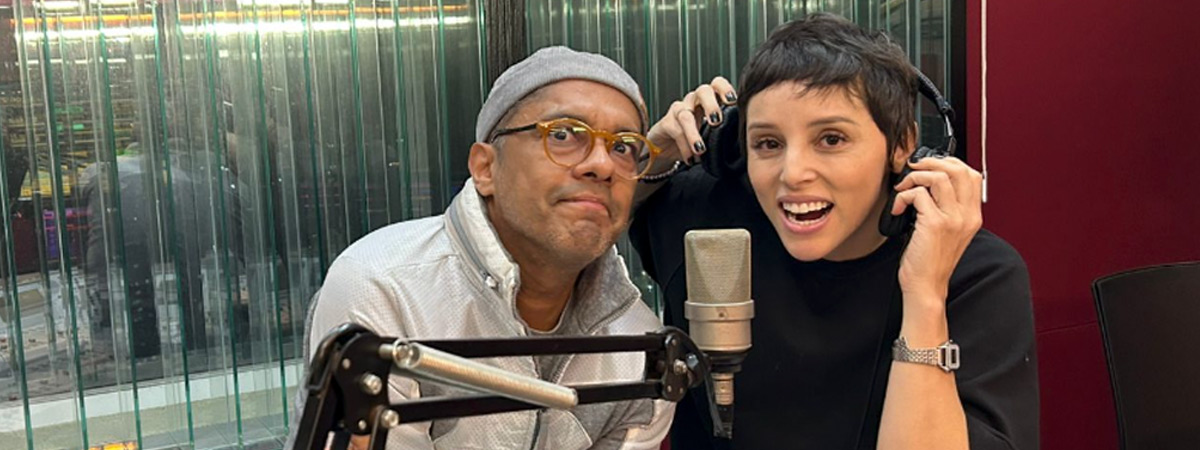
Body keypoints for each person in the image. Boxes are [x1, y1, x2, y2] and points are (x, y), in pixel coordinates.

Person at [630, 13, 1038, 450]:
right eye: (768, 143)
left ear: (902, 145)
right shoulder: (708, 222)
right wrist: (653, 156)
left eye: (831, 139)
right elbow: (585, 230)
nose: (793, 173)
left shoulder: (975, 274)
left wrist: (924, 295)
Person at [295, 46, 674, 449]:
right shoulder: (385, 287)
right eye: (563, 134)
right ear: (485, 168)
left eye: (623, 147)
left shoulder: (642, 347)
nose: (602, 164)